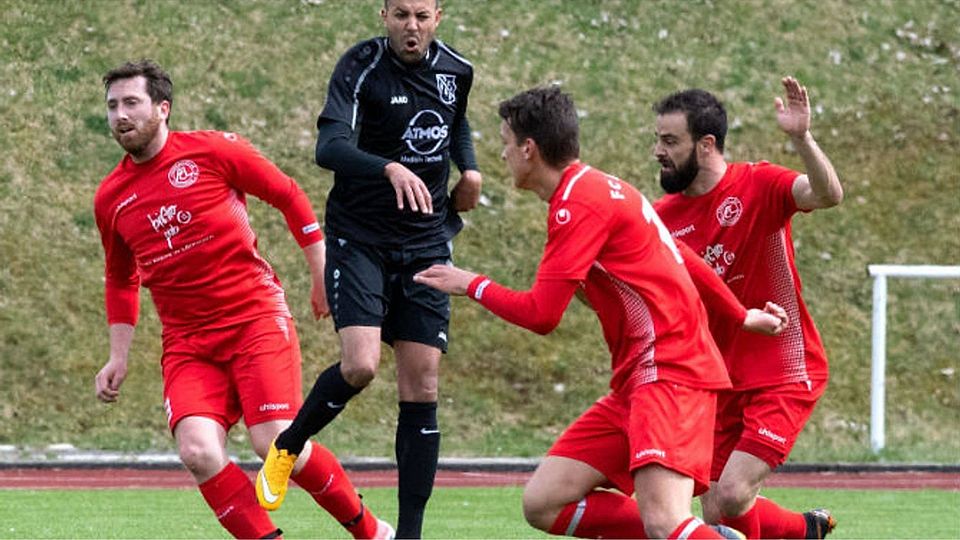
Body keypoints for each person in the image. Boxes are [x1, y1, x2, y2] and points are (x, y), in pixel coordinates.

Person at [413, 86, 789, 540]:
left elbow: (541, 315)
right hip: (638, 380)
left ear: (528, 149)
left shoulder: (578, 205)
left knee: (664, 521)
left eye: (505, 141)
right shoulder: (603, 186)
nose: (502, 152)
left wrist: (471, 284)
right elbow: (681, 256)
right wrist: (739, 315)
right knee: (544, 502)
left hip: (669, 371)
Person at [93, 59, 393, 540]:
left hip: (254, 318)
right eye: (112, 106)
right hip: (189, 342)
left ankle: (371, 532)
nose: (120, 115)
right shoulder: (111, 197)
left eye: (132, 103)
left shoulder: (212, 152)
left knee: (275, 443)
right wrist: (117, 356)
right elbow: (119, 278)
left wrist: (322, 273)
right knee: (197, 450)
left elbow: (289, 196)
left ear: (162, 109)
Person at [256, 1, 481, 537]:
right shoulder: (359, 67)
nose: (412, 26)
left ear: (438, 16)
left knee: (422, 385)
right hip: (360, 240)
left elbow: (457, 122)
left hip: (426, 242)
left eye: (422, 15)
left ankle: (409, 534)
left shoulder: (456, 69)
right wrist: (387, 166)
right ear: (383, 15)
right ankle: (288, 445)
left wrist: (468, 171)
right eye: (401, 14)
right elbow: (328, 146)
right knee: (360, 366)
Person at [651, 77, 843, 539]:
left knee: (734, 493)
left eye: (670, 140)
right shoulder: (661, 218)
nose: (658, 150)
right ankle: (804, 531)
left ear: (706, 144)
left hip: (782, 367)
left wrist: (802, 139)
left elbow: (828, 194)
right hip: (718, 380)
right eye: (657, 138)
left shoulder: (757, 184)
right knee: (716, 508)